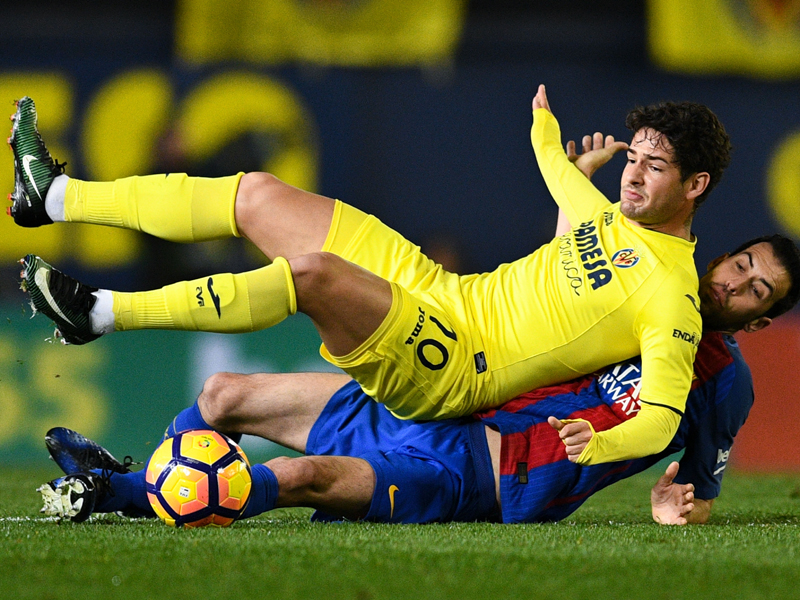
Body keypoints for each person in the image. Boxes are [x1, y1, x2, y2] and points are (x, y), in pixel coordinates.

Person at [11, 85, 736, 466]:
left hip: (454, 367)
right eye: (634, 159)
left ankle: (100, 313)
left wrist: (599, 441)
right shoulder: (606, 215)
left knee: (313, 275)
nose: (633, 177)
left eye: (655, 167)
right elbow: (554, 169)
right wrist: (545, 126)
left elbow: (663, 416)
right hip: (439, 292)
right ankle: (54, 198)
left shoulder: (670, 294)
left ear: (696, 184)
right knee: (258, 194)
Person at [38, 232, 800, 525]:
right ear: (718, 258)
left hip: (483, 475)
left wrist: (677, 505)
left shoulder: (720, 381)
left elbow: (700, 488)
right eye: (739, 265)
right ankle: (124, 486)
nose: (734, 285)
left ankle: (114, 495)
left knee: (301, 474)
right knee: (222, 397)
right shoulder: (640, 296)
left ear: (762, 319)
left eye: (756, 290)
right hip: (444, 408)